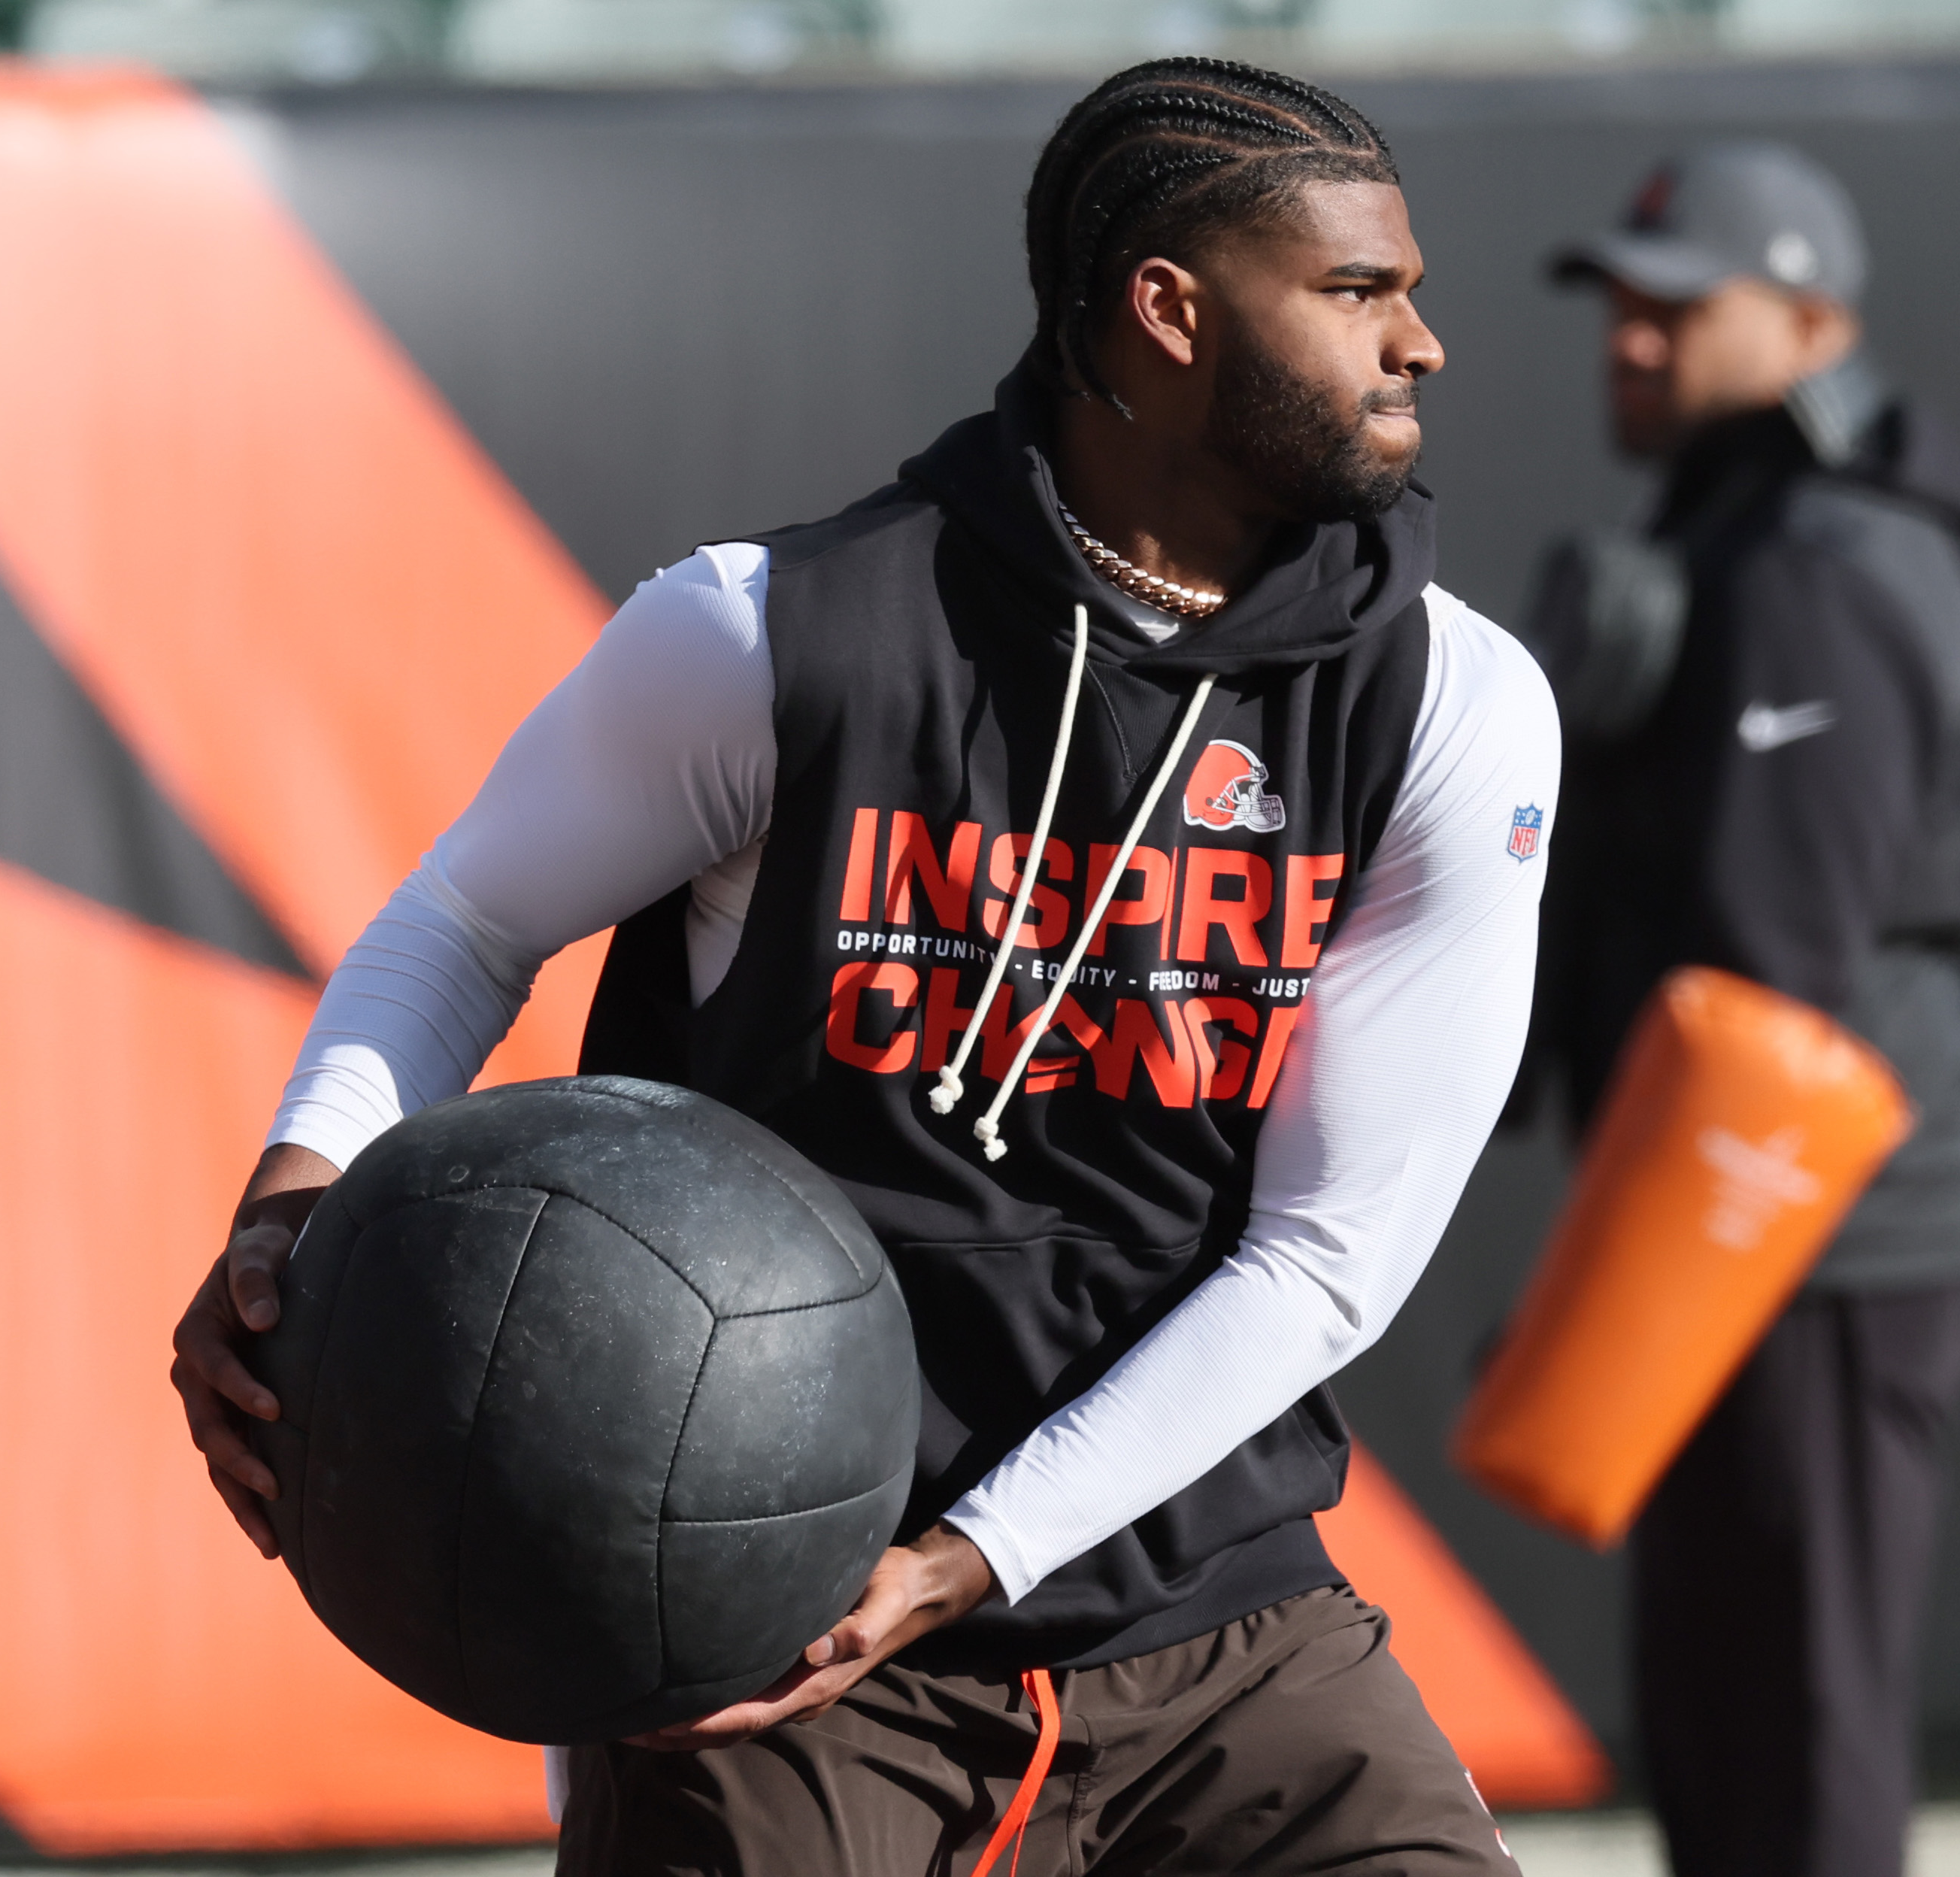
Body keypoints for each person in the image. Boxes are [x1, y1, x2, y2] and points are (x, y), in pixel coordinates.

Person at [171, 59, 1559, 1877]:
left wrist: (973, 1553)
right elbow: (463, 929)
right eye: (1362, 292)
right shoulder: (773, 635)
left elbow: (1330, 1254)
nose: (1421, 345)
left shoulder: (1448, 704)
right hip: (769, 1625)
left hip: (1205, 1614)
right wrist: (295, 1205)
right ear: (1166, 311)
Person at [1522, 143, 1960, 1877]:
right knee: (1724, 1698)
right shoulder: (1745, 524)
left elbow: (1773, 990)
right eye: (1619, 306)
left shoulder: (1821, 558)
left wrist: (1619, 1291)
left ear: (1814, 319)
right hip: (1763, 1207)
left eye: (1680, 308)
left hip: (1812, 1225)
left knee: (1795, 1714)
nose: (1634, 341)